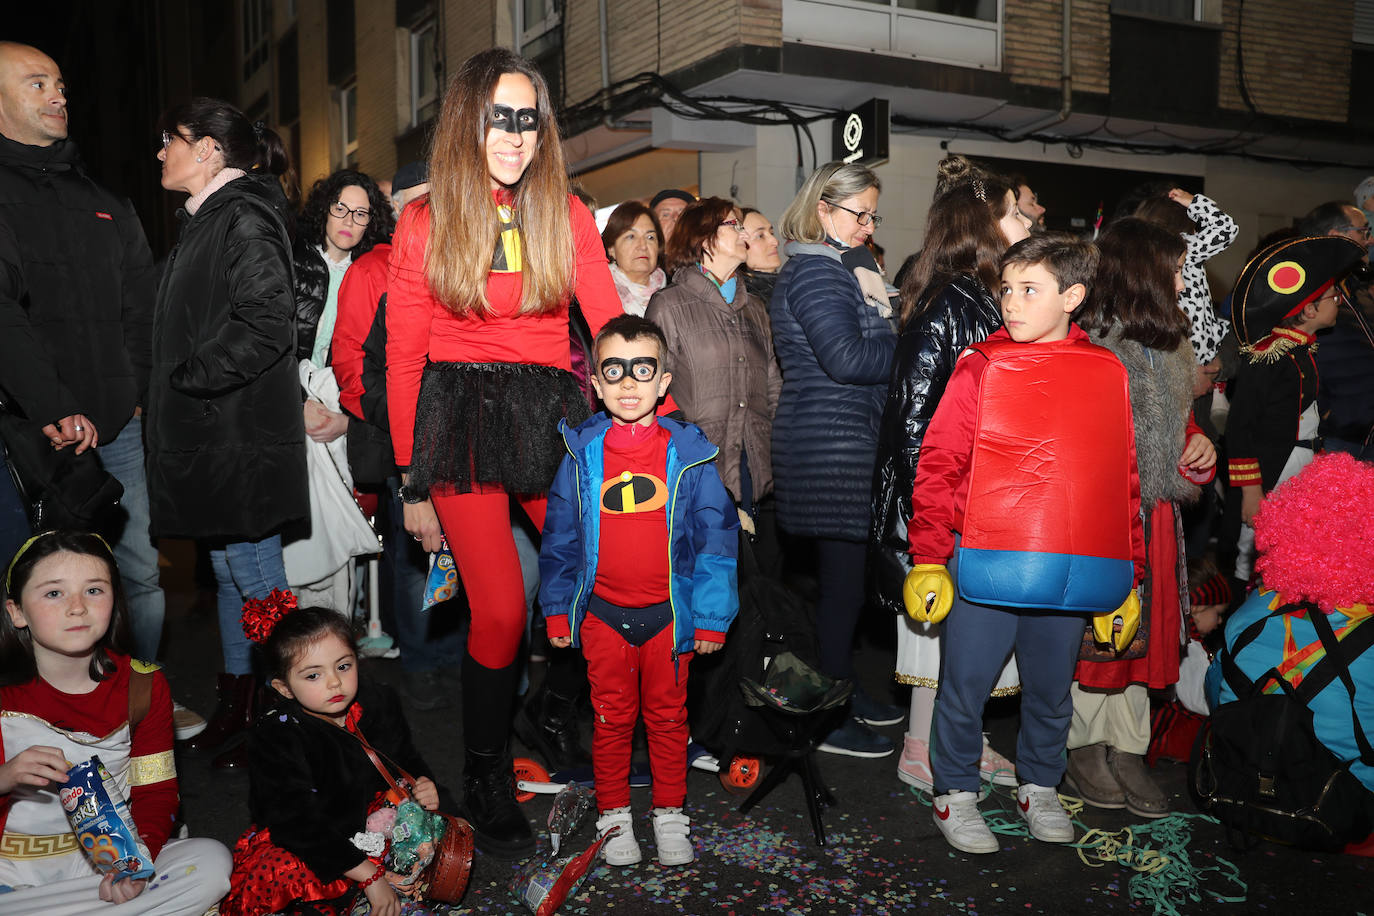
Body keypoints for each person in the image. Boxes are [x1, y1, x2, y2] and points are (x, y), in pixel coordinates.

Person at [385, 48, 622, 858]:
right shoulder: (424, 220)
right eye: (499, 117)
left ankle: (554, 711)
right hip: (458, 418)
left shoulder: (568, 211)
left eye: (527, 118)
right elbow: (405, 357)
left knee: (598, 582)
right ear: (467, 122)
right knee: (499, 608)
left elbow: (612, 326)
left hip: (550, 410)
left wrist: (647, 414)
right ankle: (485, 771)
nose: (515, 135)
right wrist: (412, 481)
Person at [904, 233, 1145, 854]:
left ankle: (1039, 784)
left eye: (1029, 290)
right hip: (986, 552)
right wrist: (929, 558)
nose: (1011, 303)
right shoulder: (981, 365)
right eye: (1006, 289)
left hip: (1070, 562)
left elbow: (1120, 479)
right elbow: (939, 463)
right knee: (964, 685)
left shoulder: (1105, 371)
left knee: (1051, 689)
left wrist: (1128, 576)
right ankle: (953, 793)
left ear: (1073, 296)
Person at [0, 42, 183, 726]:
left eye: (61, 82)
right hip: (33, 434)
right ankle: (49, 718)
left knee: (136, 574)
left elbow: (143, 308)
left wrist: (133, 392)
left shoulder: (104, 200)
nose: (58, 94)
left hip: (120, 424)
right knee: (42, 582)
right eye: (37, 82)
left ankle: (138, 712)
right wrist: (53, 406)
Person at [539, 314, 739, 867]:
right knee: (609, 718)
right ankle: (613, 817)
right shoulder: (580, 455)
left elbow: (717, 541)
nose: (629, 383)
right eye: (615, 371)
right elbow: (560, 537)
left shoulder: (691, 455)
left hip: (669, 619)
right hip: (602, 615)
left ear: (664, 381)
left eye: (642, 370)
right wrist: (558, 611)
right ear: (596, 385)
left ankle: (670, 812)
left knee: (669, 719)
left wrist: (711, 618)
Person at [146, 97, 308, 768]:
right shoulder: (210, 219)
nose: (161, 153)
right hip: (220, 438)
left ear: (208, 149)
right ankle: (244, 707)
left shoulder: (240, 215)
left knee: (257, 578)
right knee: (230, 572)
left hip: (237, 440)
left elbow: (269, 321)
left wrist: (188, 377)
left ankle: (294, 717)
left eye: (170, 141)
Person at [870, 156, 1031, 793]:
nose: (1027, 221)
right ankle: (919, 745)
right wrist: (930, 508)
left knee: (978, 628)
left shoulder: (993, 296)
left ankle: (965, 736)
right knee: (936, 624)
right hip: (945, 494)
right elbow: (913, 418)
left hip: (985, 493)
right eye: (1016, 212)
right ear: (985, 221)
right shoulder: (949, 300)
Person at [1063, 218, 1217, 818]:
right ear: (1143, 272)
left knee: (1145, 637)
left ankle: (1127, 746)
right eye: (1177, 269)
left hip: (1155, 514)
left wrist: (1199, 446)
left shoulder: (1175, 344)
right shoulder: (1093, 342)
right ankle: (1083, 745)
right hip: (1107, 513)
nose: (1186, 280)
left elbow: (1179, 428)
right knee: (1104, 631)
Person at [0, 530, 231, 913]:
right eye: (54, 593)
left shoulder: (142, 684)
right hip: (10, 870)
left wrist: (133, 867)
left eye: (94, 590)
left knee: (211, 863)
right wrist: (5, 776)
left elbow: (156, 793)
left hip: (99, 871)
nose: (77, 607)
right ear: (17, 612)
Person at [769, 161, 899, 758]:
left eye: (873, 215)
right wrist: (909, 348)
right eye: (859, 213)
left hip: (841, 442)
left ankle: (840, 691)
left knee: (845, 587)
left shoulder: (847, 268)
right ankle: (823, 716)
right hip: (829, 449)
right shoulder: (818, 275)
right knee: (842, 588)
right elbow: (846, 360)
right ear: (823, 209)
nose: (868, 226)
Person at [222, 599, 455, 916]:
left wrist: (423, 785)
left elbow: (405, 759)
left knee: (438, 831)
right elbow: (294, 822)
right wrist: (369, 876)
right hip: (312, 839)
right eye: (313, 676)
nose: (334, 682)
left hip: (371, 824)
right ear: (285, 688)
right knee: (283, 870)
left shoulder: (377, 701)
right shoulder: (277, 734)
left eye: (343, 666)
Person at [331, 162, 465, 710]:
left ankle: (460, 655)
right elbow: (351, 365)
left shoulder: (463, 266)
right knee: (417, 554)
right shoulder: (375, 269)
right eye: (419, 202)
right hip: (399, 439)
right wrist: (408, 417)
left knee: (465, 551)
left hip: (463, 437)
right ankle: (423, 663)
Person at [646, 197, 781, 522]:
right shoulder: (669, 305)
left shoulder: (755, 309)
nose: (744, 234)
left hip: (756, 463)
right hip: (700, 464)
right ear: (703, 236)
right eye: (733, 225)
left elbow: (774, 386)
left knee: (757, 569)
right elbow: (654, 393)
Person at [1296, 201, 1374, 461]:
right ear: (1336, 236)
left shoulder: (1355, 286)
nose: (1369, 240)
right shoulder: (1305, 290)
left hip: (1366, 432)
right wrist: (1329, 413)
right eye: (1363, 231)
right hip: (1337, 436)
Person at [1131, 185, 1237, 366]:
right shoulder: (1185, 246)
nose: (1198, 232)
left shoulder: (1140, 254)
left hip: (1184, 351)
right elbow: (1227, 228)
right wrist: (1194, 201)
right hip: (1195, 351)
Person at [601, 201, 666, 316]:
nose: (643, 246)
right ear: (611, 248)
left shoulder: (674, 290)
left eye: (650, 237)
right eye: (631, 236)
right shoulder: (598, 293)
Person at [739, 207, 782, 304]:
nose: (775, 242)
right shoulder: (744, 302)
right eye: (760, 236)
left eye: (772, 233)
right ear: (738, 244)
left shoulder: (785, 285)